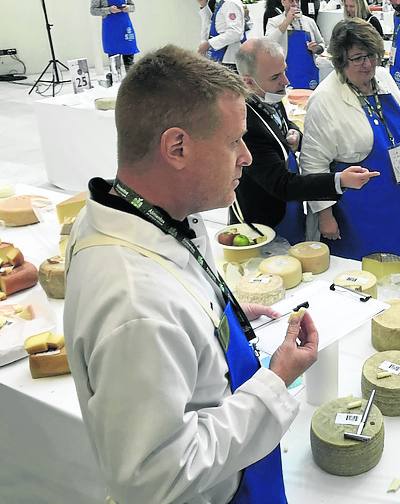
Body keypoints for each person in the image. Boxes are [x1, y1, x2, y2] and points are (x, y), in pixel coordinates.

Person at [64, 45, 318, 504]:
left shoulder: (151, 212)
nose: (246, 157)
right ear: (176, 147)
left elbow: (176, 310)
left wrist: (215, 319)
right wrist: (276, 380)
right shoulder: (136, 306)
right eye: (233, 141)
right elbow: (157, 474)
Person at [233, 38, 379, 243]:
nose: (285, 81)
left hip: (288, 210)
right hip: (261, 224)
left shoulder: (267, 96)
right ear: (248, 82)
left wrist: (295, 134)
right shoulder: (245, 124)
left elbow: (281, 125)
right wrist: (339, 180)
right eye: (276, 76)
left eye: (284, 70)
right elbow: (282, 184)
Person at [300, 19, 400, 262]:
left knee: (396, 270)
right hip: (357, 209)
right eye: (357, 58)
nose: (367, 64)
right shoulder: (325, 99)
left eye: (371, 55)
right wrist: (325, 216)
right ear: (341, 60)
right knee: (360, 277)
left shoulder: (384, 79)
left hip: (396, 200)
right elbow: (313, 164)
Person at [266, 0, 325, 89]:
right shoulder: (274, 22)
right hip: (286, 75)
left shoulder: (309, 22)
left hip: (308, 74)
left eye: (297, 1)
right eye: (291, 1)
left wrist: (316, 48)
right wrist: (286, 21)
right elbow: (268, 43)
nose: (295, 4)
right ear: (283, 2)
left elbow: (321, 43)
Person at [198, 0, 247, 70]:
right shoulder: (223, 3)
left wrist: (209, 44)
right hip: (221, 55)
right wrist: (204, 6)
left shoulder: (231, 3)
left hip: (229, 58)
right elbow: (213, 24)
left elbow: (235, 33)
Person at [90, 0, 139, 70]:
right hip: (111, 28)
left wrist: (128, 8)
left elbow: (133, 7)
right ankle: (116, 79)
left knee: (129, 58)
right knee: (114, 62)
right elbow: (93, 10)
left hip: (125, 27)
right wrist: (109, 10)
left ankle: (131, 79)